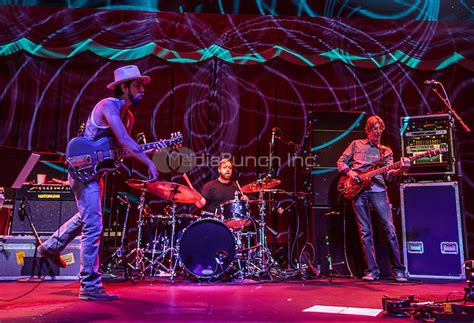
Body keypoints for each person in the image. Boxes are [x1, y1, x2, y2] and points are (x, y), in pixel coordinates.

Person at [38, 65, 159, 300]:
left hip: (95, 174)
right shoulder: (108, 105)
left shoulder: (129, 116)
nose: (142, 89)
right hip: (82, 173)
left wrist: (149, 149)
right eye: (137, 85)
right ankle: (89, 286)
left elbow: (117, 150)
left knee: (86, 218)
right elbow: (124, 139)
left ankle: (50, 246)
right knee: (93, 225)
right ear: (123, 87)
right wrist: (148, 162)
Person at [337, 115, 410, 282]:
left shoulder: (386, 151)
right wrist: (351, 173)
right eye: (374, 129)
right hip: (358, 190)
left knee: (389, 229)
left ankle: (399, 269)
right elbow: (340, 162)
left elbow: (389, 175)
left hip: (378, 190)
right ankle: (371, 270)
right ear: (367, 130)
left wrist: (401, 170)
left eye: (379, 129)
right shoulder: (356, 144)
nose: (377, 132)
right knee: (365, 232)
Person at [195, 158, 249, 228]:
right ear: (219, 169)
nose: (227, 170)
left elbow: (240, 208)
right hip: (214, 224)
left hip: (231, 225)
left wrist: (245, 201)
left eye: (230, 168)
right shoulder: (210, 186)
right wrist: (194, 196)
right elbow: (200, 205)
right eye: (225, 167)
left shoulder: (236, 186)